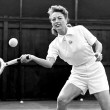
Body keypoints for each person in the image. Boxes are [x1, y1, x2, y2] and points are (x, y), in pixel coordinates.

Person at [20, 5, 110, 110]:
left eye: (59, 18)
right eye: (53, 19)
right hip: (78, 73)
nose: (56, 21)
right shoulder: (54, 45)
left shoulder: (80, 30)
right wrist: (32, 57)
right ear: (52, 24)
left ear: (66, 19)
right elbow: (49, 64)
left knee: (106, 108)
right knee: (61, 100)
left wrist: (98, 52)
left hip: (95, 70)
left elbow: (97, 44)